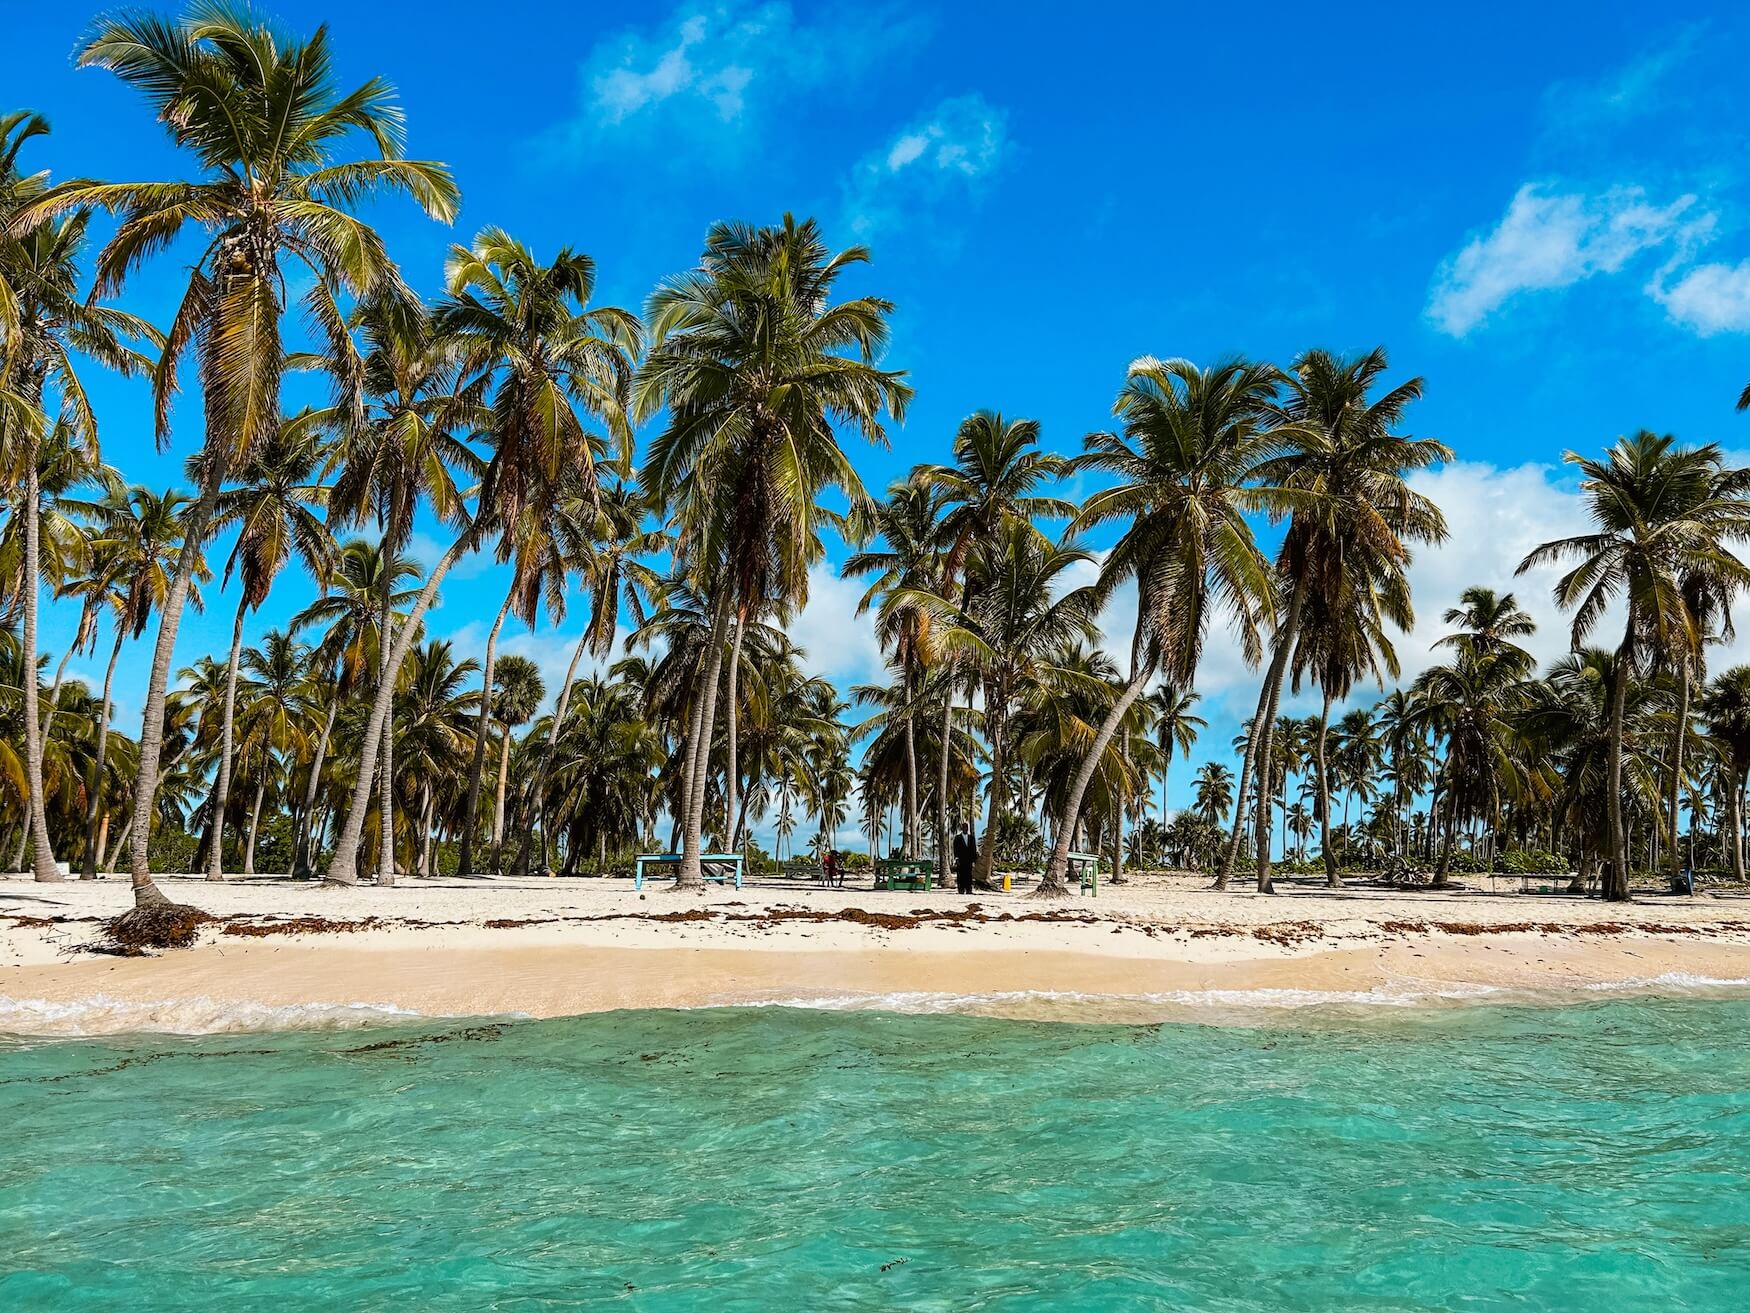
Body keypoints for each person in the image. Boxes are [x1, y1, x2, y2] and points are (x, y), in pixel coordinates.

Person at [952, 822, 978, 895]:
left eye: (966, 827)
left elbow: (974, 849)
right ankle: (961, 890)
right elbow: (955, 848)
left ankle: (969, 889)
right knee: (960, 875)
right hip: (960, 859)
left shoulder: (971, 838)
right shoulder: (957, 838)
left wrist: (974, 859)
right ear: (962, 828)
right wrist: (956, 858)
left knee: (969, 875)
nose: (965, 829)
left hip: (969, 860)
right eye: (964, 827)